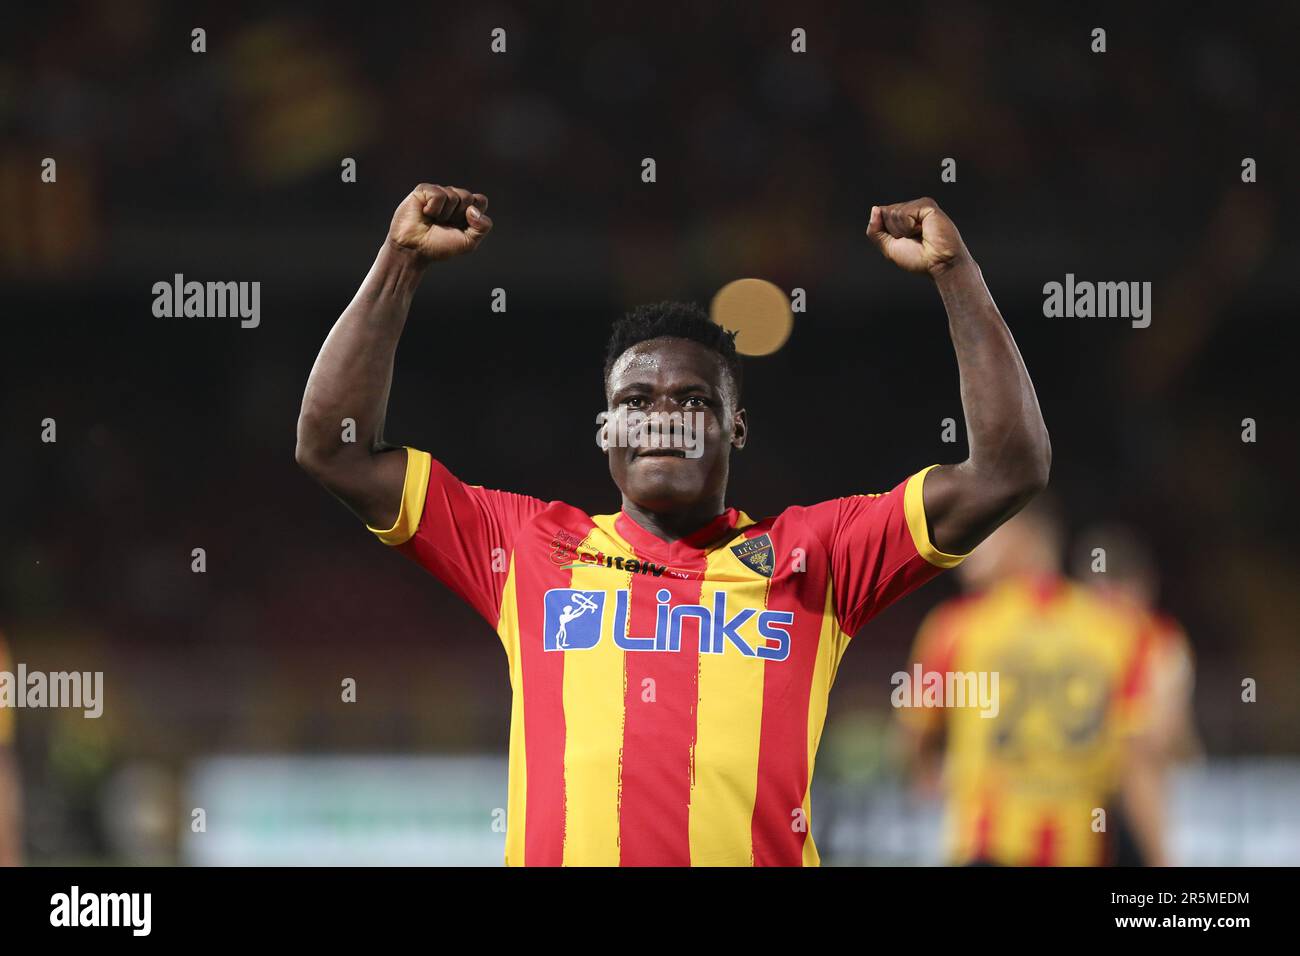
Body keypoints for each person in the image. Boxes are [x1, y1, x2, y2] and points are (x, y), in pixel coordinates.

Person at [296, 185, 1050, 865]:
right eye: (635, 402)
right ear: (605, 429)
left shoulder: (815, 558)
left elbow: (1007, 470)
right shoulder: (527, 547)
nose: (663, 420)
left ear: (736, 428)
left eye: (693, 400)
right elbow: (333, 446)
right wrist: (399, 262)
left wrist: (957, 276)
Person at [899, 500, 1167, 865]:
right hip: (1081, 852)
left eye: (983, 531)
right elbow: (1138, 765)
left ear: (1024, 536)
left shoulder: (956, 627)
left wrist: (934, 775)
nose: (967, 544)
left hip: (988, 850)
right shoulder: (1119, 632)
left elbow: (912, 736)